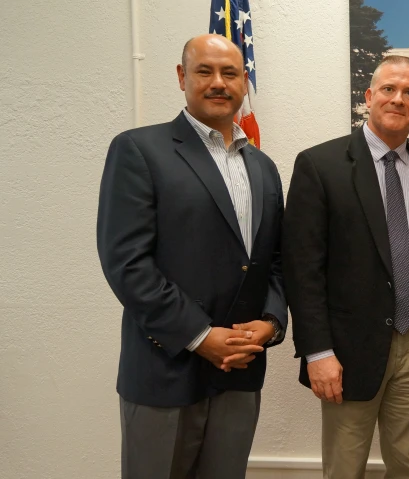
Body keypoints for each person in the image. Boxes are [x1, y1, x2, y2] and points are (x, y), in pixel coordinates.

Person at [96, 34, 287, 479]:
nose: (218, 82)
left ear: (244, 81)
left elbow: (274, 260)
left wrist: (272, 322)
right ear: (183, 78)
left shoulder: (264, 167)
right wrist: (201, 336)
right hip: (166, 370)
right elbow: (127, 264)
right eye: (205, 71)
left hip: (240, 370)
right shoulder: (140, 150)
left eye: (230, 73)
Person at [281, 56, 409, 479]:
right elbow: (303, 270)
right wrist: (318, 351)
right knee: (344, 468)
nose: (398, 98)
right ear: (369, 97)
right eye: (389, 89)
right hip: (348, 349)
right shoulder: (320, 166)